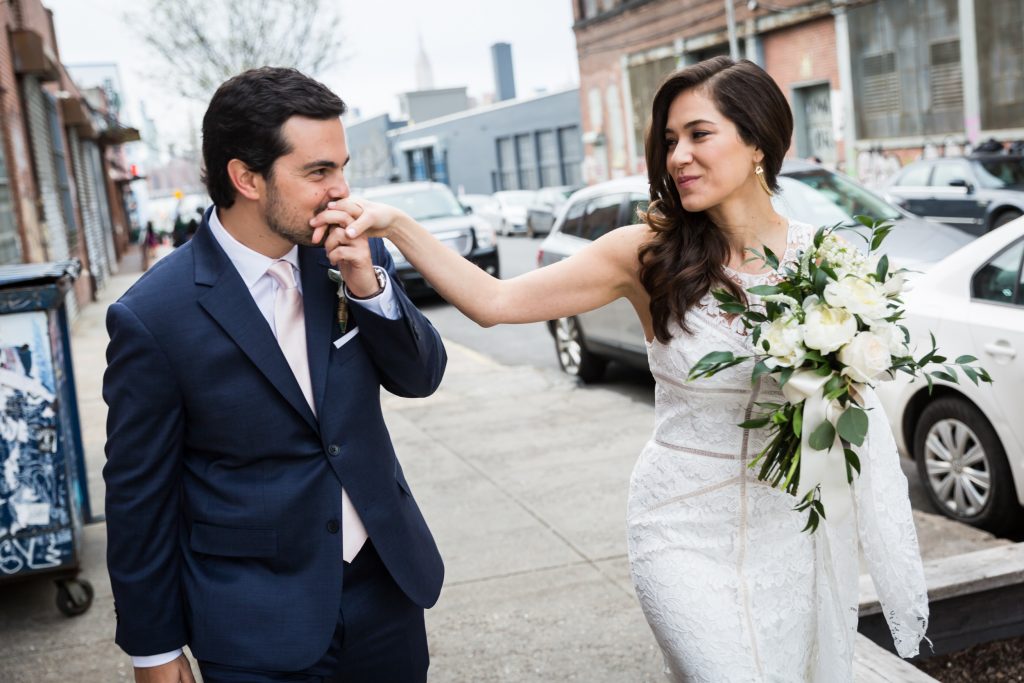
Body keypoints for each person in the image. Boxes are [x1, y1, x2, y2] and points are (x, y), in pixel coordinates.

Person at [315, 57, 928, 681]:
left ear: (758, 143)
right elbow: (493, 303)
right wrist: (396, 224)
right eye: (669, 141)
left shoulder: (826, 265)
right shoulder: (644, 255)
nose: (677, 157)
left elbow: (848, 405)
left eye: (698, 134)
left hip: (786, 529)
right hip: (680, 527)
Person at [103, 67, 446, 682]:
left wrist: (369, 288)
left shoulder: (350, 254)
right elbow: (139, 497)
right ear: (246, 178)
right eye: (319, 172)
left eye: (342, 166)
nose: (342, 190)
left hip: (386, 589)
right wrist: (152, 650)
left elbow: (420, 378)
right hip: (255, 621)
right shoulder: (153, 317)